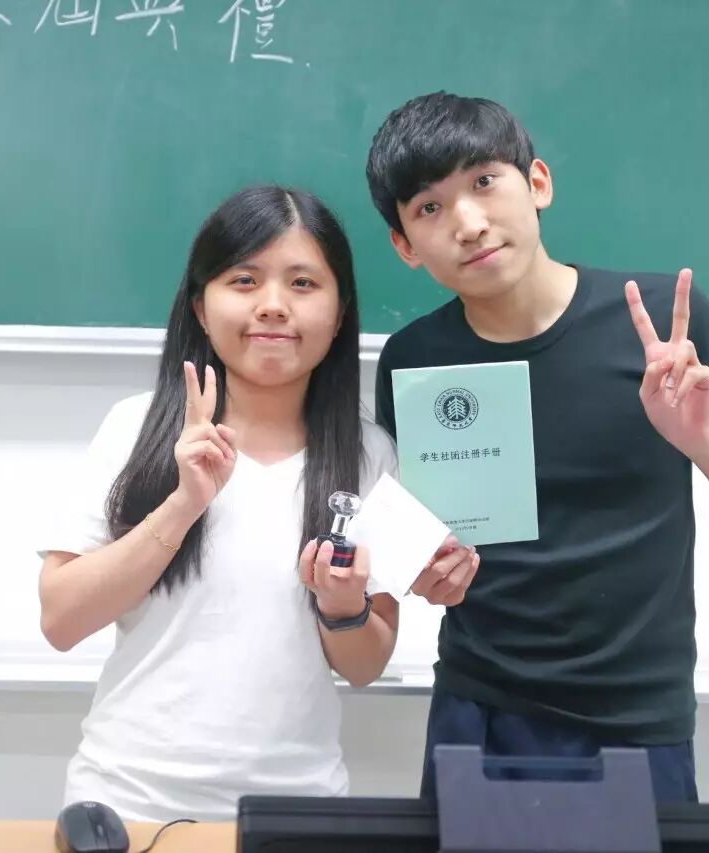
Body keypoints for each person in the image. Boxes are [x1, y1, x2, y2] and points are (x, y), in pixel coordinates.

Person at [365, 92, 709, 803]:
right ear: (405, 245)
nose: (468, 223)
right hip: (479, 708)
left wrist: (703, 442)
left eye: (485, 181)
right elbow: (423, 545)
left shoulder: (660, 327)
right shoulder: (414, 359)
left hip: (639, 717)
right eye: (429, 207)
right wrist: (425, 572)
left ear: (537, 183)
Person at [37, 185, 478, 822]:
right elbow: (61, 620)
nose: (272, 305)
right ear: (200, 305)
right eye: (244, 280)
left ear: (339, 312)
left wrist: (342, 605)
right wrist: (183, 503)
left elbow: (365, 664)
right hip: (126, 801)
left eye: (303, 283)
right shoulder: (134, 430)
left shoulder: (370, 454)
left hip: (296, 811)